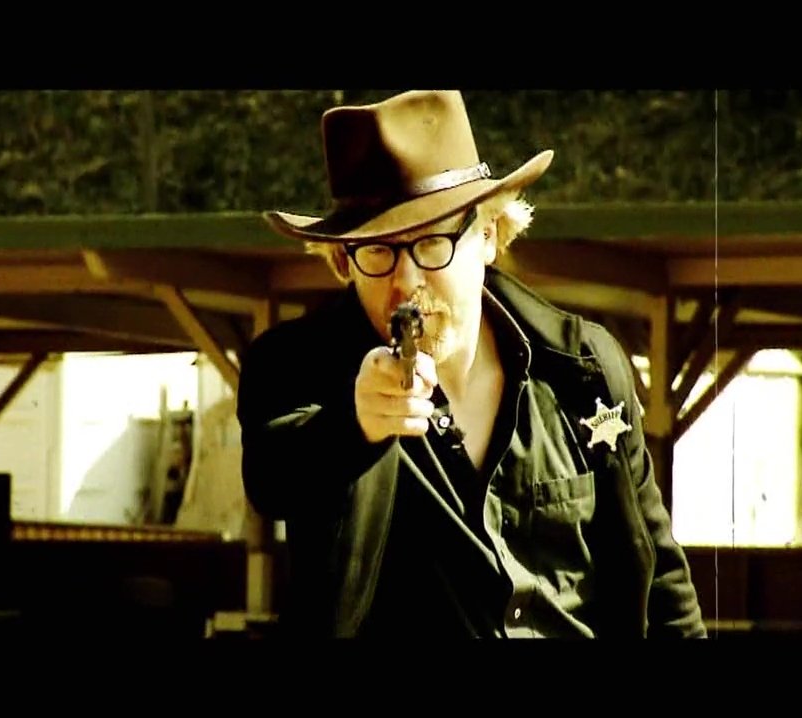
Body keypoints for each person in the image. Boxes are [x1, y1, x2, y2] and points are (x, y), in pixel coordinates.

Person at [238, 90, 706, 638]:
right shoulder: (294, 365)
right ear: (343, 261)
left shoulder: (584, 368)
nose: (406, 281)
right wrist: (353, 427)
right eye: (378, 250)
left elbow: (661, 581)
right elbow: (272, 477)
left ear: (488, 234)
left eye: (431, 243)